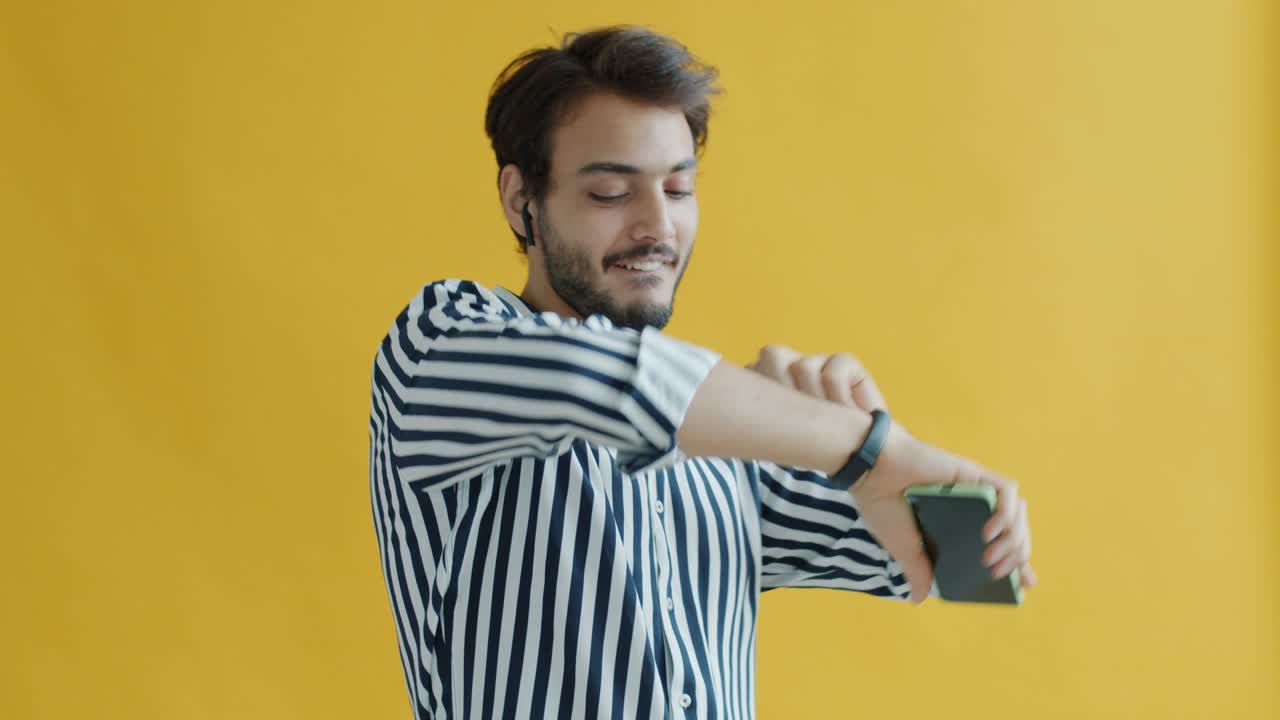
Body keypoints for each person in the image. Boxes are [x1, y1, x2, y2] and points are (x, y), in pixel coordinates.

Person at [368, 25, 1035, 720]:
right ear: (521, 201)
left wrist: (978, 518)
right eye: (610, 194)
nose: (657, 226)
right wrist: (861, 444)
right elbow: (604, 382)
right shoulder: (439, 344)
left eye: (679, 188)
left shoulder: (726, 444)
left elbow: (936, 557)